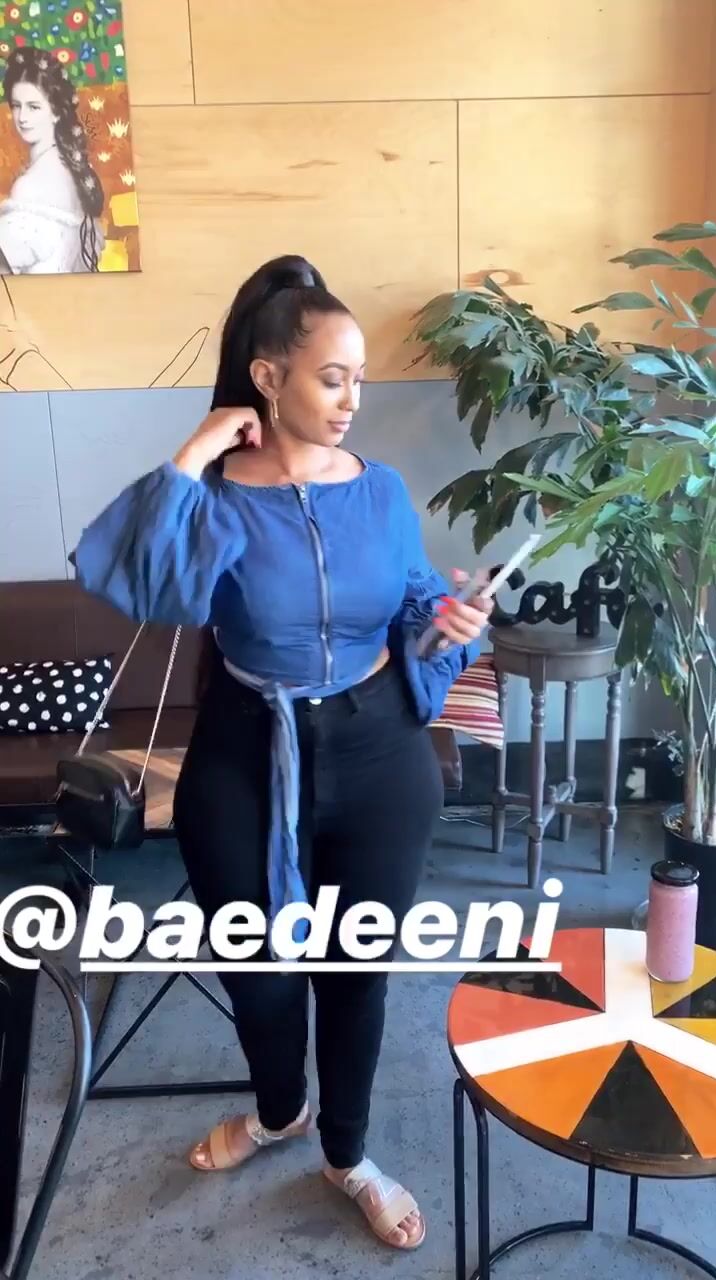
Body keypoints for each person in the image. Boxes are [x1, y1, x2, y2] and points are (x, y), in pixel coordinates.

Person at [71, 255, 491, 1252]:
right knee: (257, 969)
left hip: (380, 752)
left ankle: (347, 1153)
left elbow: (411, 604)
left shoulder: (380, 490)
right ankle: (279, 1109)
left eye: (358, 380)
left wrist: (449, 617)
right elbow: (128, 573)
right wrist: (197, 447)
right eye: (331, 378)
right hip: (247, 750)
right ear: (268, 376)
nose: (352, 400)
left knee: (357, 971)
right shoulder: (213, 498)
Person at [0, 46, 104, 275]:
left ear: (56, 111)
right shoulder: (70, 168)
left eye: (33, 107)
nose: (22, 117)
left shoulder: (30, 185)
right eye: (16, 106)